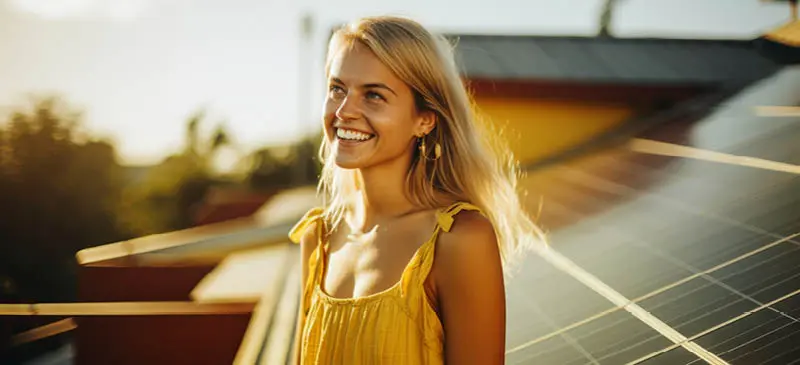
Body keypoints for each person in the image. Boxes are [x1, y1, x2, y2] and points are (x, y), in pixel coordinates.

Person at [289, 15, 544, 365]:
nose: (344, 111)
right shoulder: (317, 238)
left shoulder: (459, 239)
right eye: (337, 89)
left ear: (424, 119)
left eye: (374, 95)